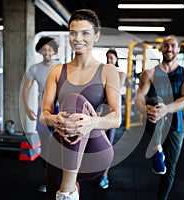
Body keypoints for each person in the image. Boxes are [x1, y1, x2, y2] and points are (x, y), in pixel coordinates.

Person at [40, 9, 121, 200]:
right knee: (52, 193)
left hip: (95, 151)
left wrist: (91, 123)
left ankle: (68, 191)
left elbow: (116, 118)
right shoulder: (57, 71)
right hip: (62, 147)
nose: (78, 38)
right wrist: (54, 119)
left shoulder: (107, 71)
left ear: (96, 36)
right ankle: (67, 190)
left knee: (73, 100)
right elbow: (44, 115)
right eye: (73, 32)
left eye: (85, 33)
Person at [134, 35, 184, 200]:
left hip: (176, 125)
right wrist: (144, 108)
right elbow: (138, 98)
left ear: (178, 49)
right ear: (161, 48)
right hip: (154, 120)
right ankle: (157, 149)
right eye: (166, 45)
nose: (169, 49)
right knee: (155, 100)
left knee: (169, 168)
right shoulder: (151, 72)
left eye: (173, 46)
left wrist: (166, 109)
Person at [22, 36, 59, 193]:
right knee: (45, 148)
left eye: (50, 48)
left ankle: (62, 180)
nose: (47, 52)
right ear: (40, 51)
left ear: (54, 50)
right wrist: (27, 108)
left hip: (59, 111)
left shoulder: (61, 66)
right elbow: (26, 89)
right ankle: (46, 180)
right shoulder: (34, 69)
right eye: (44, 49)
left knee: (60, 147)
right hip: (42, 111)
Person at [98, 49, 126, 189]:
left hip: (113, 113)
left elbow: (115, 89)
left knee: (108, 144)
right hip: (101, 111)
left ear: (116, 60)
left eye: (112, 58)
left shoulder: (121, 74)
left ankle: (105, 175)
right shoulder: (102, 73)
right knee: (98, 144)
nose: (109, 60)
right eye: (107, 58)